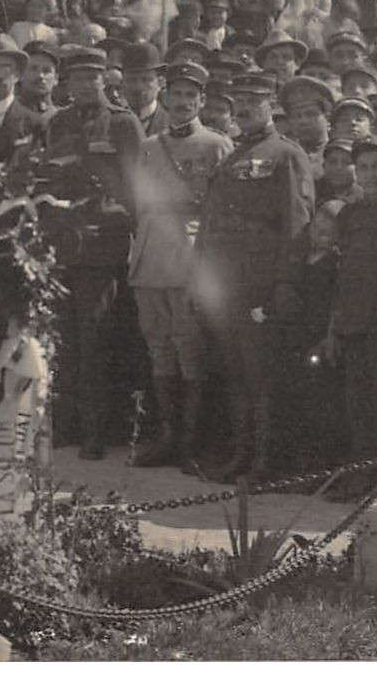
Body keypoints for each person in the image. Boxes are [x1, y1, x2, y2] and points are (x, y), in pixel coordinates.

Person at [192, 70, 314, 481]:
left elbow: (297, 226)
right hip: (226, 284)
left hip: (261, 286)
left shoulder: (286, 154)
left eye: (252, 101)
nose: (243, 109)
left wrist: (285, 283)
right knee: (235, 372)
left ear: (271, 104)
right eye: (237, 102)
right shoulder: (231, 156)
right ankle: (241, 454)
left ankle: (265, 460)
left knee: (262, 376)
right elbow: (209, 224)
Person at [126, 60, 232, 471]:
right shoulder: (150, 147)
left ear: (202, 101)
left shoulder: (216, 145)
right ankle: (167, 438)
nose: (183, 102)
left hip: (189, 254)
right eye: (177, 94)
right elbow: (139, 203)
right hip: (151, 252)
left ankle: (191, 443)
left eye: (192, 95)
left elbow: (221, 210)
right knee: (158, 345)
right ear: (165, 97)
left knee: (190, 345)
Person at [43, 47, 145, 460]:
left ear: (106, 80)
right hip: (66, 245)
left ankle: (98, 431)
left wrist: (123, 230)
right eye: (76, 78)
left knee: (97, 339)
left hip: (104, 246)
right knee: (65, 339)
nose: (84, 85)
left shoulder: (123, 123)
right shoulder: (59, 122)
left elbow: (136, 189)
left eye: (92, 77)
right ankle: (68, 424)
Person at [313, 135, 377, 488]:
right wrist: (332, 329)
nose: (370, 175)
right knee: (356, 407)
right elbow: (343, 277)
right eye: (364, 167)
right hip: (353, 324)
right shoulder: (351, 214)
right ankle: (360, 478)